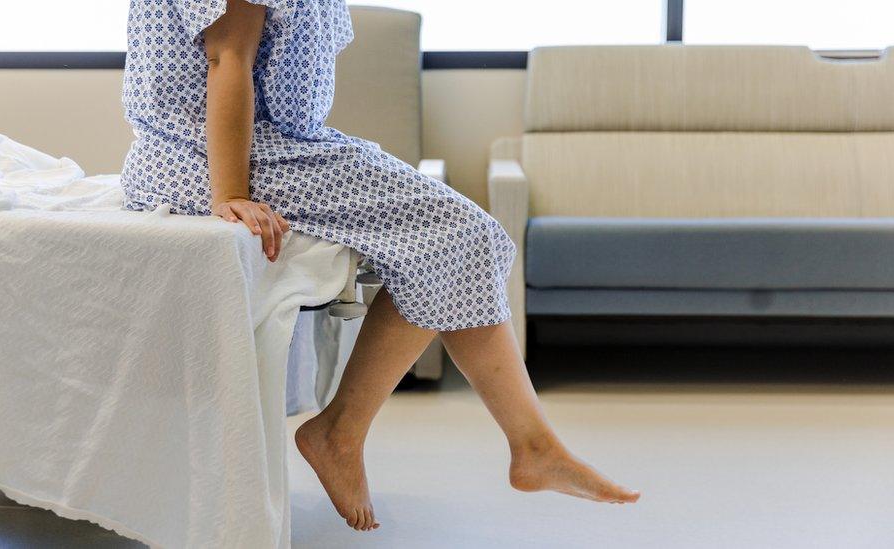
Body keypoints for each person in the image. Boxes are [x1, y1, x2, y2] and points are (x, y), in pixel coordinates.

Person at [120, 0, 640, 532]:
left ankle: (511, 445)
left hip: (277, 147)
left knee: (460, 243)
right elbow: (228, 56)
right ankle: (374, 435)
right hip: (211, 158)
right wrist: (230, 193)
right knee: (461, 237)